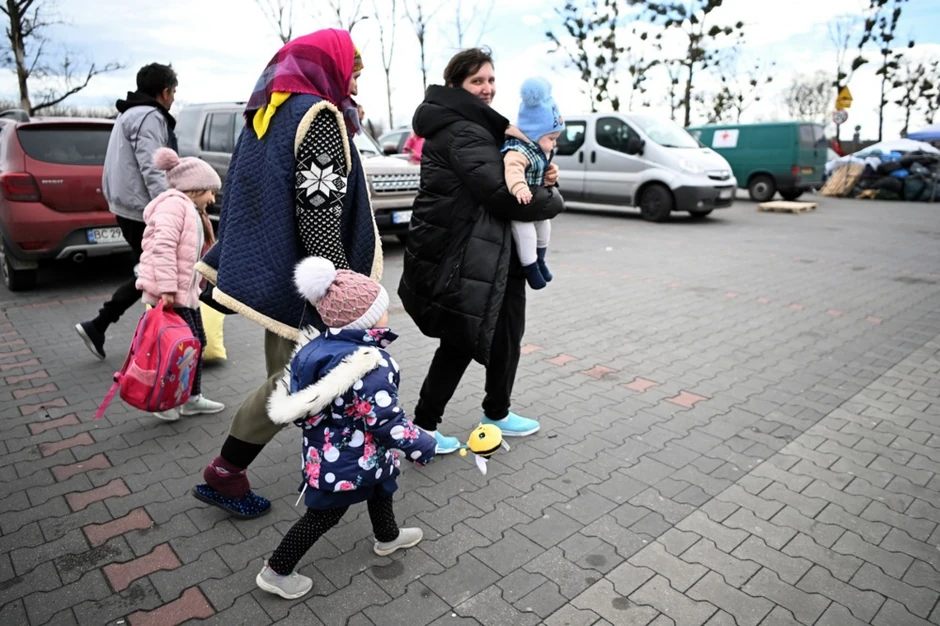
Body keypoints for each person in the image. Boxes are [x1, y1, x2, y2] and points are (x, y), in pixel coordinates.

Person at [191, 29, 383, 519]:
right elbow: (319, 209)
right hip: (312, 283)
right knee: (293, 381)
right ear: (329, 68)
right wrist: (340, 291)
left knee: (301, 375)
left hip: (281, 272)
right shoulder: (317, 115)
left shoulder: (268, 112)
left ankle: (324, 464)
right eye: (353, 74)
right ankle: (228, 471)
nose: (355, 87)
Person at [398, 48, 565, 454]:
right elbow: (502, 196)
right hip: (465, 253)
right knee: (459, 339)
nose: (488, 89)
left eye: (491, 80)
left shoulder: (476, 123)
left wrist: (540, 171)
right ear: (456, 85)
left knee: (507, 333)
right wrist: (553, 198)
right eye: (478, 82)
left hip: (491, 249)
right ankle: (424, 427)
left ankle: (498, 412)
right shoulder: (461, 130)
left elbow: (513, 173)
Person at [256, 256, 436, 599]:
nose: (386, 313)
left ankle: (387, 536)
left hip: (344, 452)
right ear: (366, 320)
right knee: (323, 515)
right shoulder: (369, 363)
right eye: (381, 308)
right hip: (347, 461)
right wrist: (422, 444)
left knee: (384, 487)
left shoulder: (318, 350)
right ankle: (277, 570)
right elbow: (385, 421)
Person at [75, 63, 179, 359]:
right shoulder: (148, 116)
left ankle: (102, 326)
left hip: (128, 205)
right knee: (155, 273)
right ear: (164, 91)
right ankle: (111, 327)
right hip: (140, 209)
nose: (173, 99)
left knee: (149, 271)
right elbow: (153, 165)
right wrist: (168, 207)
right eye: (173, 92)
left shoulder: (129, 113)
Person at [135, 148, 226, 420]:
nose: (212, 198)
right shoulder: (174, 206)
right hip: (170, 293)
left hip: (185, 293)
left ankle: (191, 398)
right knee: (177, 348)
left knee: (195, 342)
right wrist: (166, 290)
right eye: (211, 191)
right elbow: (161, 248)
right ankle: (164, 401)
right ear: (195, 187)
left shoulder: (190, 209)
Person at [502, 76, 565, 290]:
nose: (554, 143)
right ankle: (530, 269)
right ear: (535, 133)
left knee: (544, 226)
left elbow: (544, 173)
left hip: (535, 203)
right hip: (520, 205)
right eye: (551, 138)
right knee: (526, 234)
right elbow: (513, 170)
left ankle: (541, 261)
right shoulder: (518, 151)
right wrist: (519, 187)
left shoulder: (542, 150)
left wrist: (551, 176)